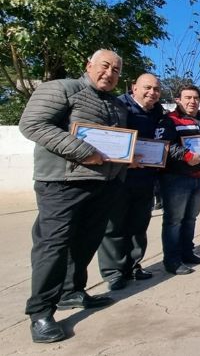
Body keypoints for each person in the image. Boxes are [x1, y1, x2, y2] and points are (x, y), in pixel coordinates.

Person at [19, 49, 126, 343]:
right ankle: (40, 312)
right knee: (52, 246)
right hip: (62, 184)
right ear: (88, 65)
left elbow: (120, 143)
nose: (109, 73)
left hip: (103, 184)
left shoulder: (116, 104)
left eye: (116, 70)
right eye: (105, 66)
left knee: (87, 241)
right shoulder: (61, 88)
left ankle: (72, 291)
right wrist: (84, 152)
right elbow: (32, 125)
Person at [98, 73, 165, 291]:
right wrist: (125, 161)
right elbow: (105, 139)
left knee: (139, 225)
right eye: (147, 88)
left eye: (156, 89)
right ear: (133, 87)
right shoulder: (118, 107)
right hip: (119, 177)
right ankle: (114, 272)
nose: (152, 93)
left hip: (146, 178)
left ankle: (133, 265)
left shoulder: (158, 112)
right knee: (114, 226)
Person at [157, 84, 200, 275]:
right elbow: (164, 145)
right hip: (176, 178)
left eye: (195, 98)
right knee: (174, 221)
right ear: (178, 100)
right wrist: (186, 156)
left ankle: (187, 253)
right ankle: (172, 261)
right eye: (188, 98)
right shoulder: (169, 120)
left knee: (191, 218)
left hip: (199, 178)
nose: (192, 101)